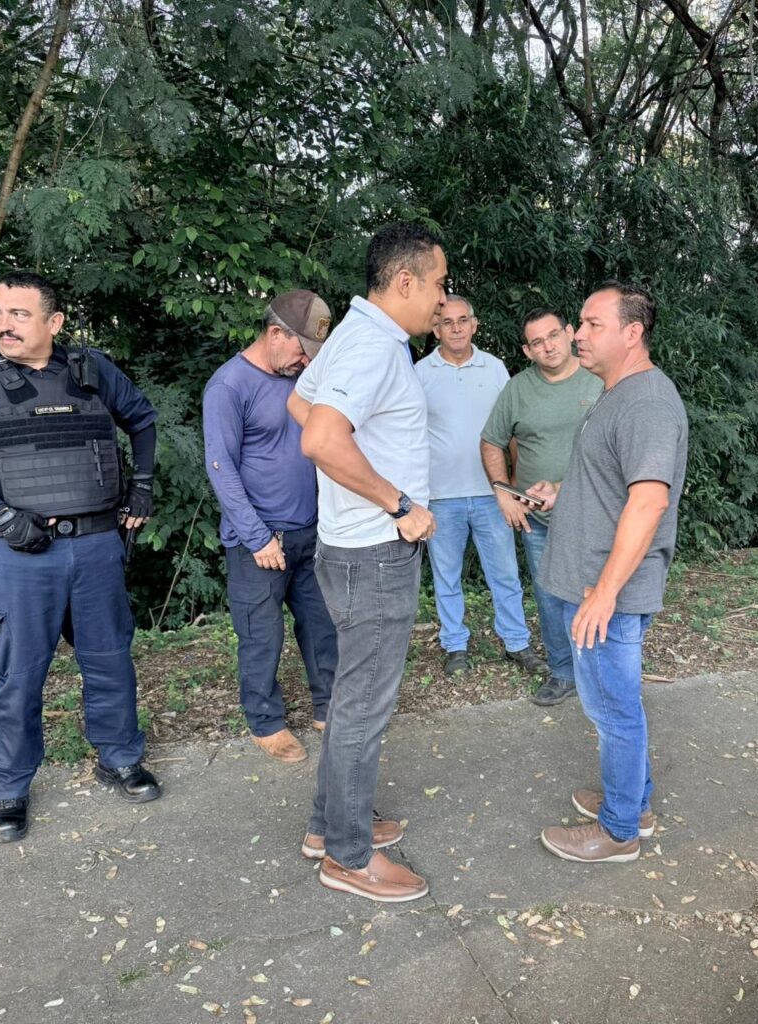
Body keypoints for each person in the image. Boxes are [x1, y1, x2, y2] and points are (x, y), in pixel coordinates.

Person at [0, 271, 161, 843]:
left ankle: (119, 758)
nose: (3, 324)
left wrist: (144, 485)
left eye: (19, 314)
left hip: (95, 546)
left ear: (53, 323)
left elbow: (144, 420)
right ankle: (9, 789)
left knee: (109, 658)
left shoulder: (91, 370)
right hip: (18, 555)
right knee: (18, 677)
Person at [286, 223, 445, 903]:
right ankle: (349, 857)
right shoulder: (374, 347)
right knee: (362, 707)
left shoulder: (358, 335)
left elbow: (301, 402)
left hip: (352, 547)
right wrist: (396, 501)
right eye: (437, 285)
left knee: (353, 698)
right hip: (374, 551)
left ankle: (331, 826)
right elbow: (320, 436)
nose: (442, 300)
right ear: (404, 281)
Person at [528, 282, 688, 864]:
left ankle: (620, 830)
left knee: (613, 710)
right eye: (580, 323)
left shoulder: (646, 402)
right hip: (595, 583)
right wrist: (563, 492)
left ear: (631, 333)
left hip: (605, 590)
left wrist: (604, 594)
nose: (576, 334)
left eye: (592, 324)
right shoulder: (616, 394)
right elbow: (613, 484)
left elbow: (647, 502)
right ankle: (633, 800)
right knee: (614, 704)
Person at [203, 291, 337, 765]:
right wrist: (257, 537)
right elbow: (221, 466)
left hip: (311, 530)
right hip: (259, 539)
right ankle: (266, 722)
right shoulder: (230, 385)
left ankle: (329, 706)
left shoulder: (301, 379)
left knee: (322, 627)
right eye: (301, 350)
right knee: (262, 635)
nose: (305, 361)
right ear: (275, 333)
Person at [414, 295, 545, 677]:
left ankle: (517, 642)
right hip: (440, 496)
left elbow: (512, 427)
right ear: (436, 329)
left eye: (462, 320)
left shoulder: (495, 368)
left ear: (474, 324)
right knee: (446, 577)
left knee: (504, 573)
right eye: (446, 321)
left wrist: (515, 485)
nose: (455, 327)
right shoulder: (420, 372)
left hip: (494, 494)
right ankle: (455, 645)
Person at [480, 308, 602, 705]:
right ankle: (563, 672)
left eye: (553, 335)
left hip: (596, 516)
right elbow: (491, 441)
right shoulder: (517, 389)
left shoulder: (600, 380)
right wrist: (503, 493)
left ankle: (602, 672)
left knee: (596, 593)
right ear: (527, 350)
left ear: (569, 334)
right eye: (537, 342)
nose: (548, 346)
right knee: (550, 596)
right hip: (540, 519)